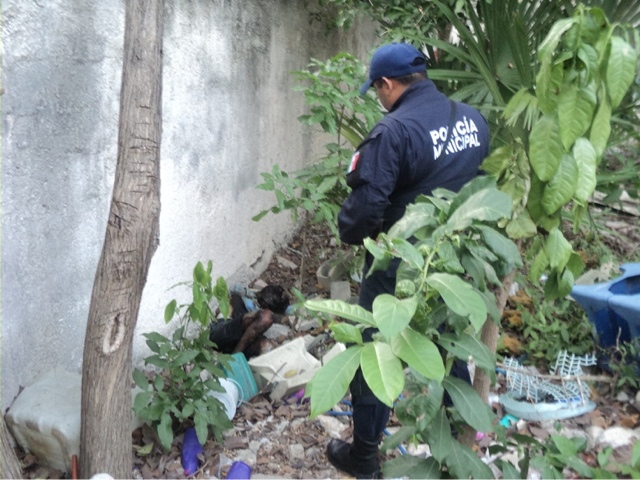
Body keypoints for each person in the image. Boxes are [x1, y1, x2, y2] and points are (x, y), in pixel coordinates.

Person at [326, 42, 490, 478]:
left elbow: (364, 211)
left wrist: (353, 234)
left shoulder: (393, 132)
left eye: (376, 89)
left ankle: (364, 459)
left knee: (376, 351)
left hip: (398, 264)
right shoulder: (473, 120)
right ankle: (459, 448)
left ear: (387, 84)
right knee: (447, 346)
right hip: (451, 263)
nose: (378, 97)